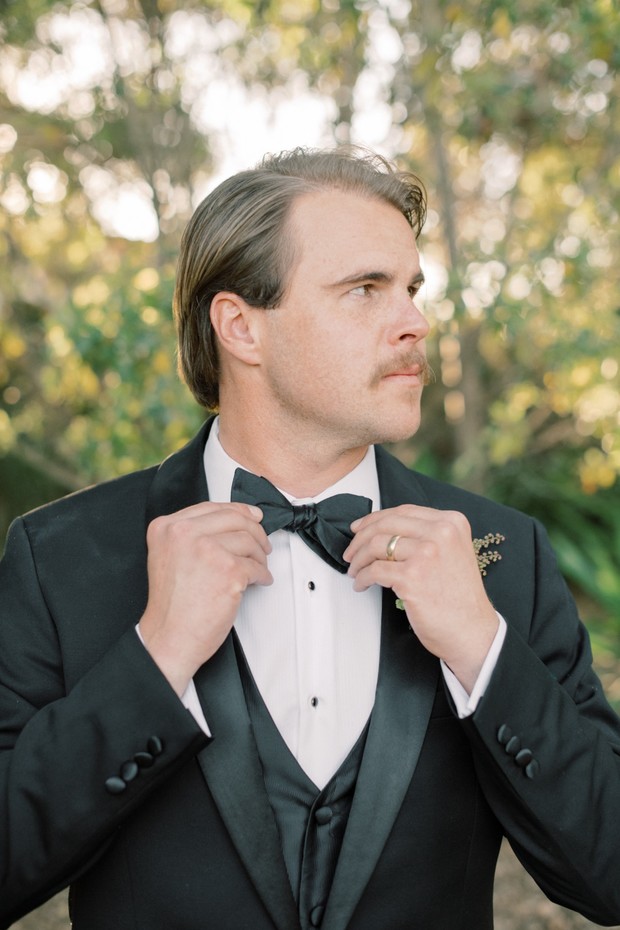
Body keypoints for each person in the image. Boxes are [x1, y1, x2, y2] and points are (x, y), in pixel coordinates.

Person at [1, 147, 619, 930]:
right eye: (365, 290)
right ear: (241, 327)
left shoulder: (503, 554)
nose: (415, 323)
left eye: (411, 289)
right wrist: (153, 661)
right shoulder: (59, 559)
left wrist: (484, 651)